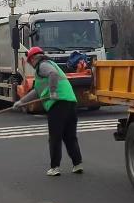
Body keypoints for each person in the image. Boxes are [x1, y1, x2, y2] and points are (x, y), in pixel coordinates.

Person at [14, 46, 83, 176]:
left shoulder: (43, 65)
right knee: (70, 136)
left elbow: (53, 74)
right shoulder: (50, 65)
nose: (31, 64)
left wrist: (52, 91)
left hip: (57, 104)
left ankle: (55, 167)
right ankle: (77, 164)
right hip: (70, 102)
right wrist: (21, 102)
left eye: (30, 61)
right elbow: (37, 91)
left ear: (34, 58)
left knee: (55, 137)